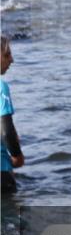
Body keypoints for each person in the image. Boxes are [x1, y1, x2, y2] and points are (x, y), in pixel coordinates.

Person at [1, 36, 24, 195]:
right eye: (7, 54)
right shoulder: (1, 87)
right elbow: (6, 130)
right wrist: (17, 156)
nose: (12, 60)